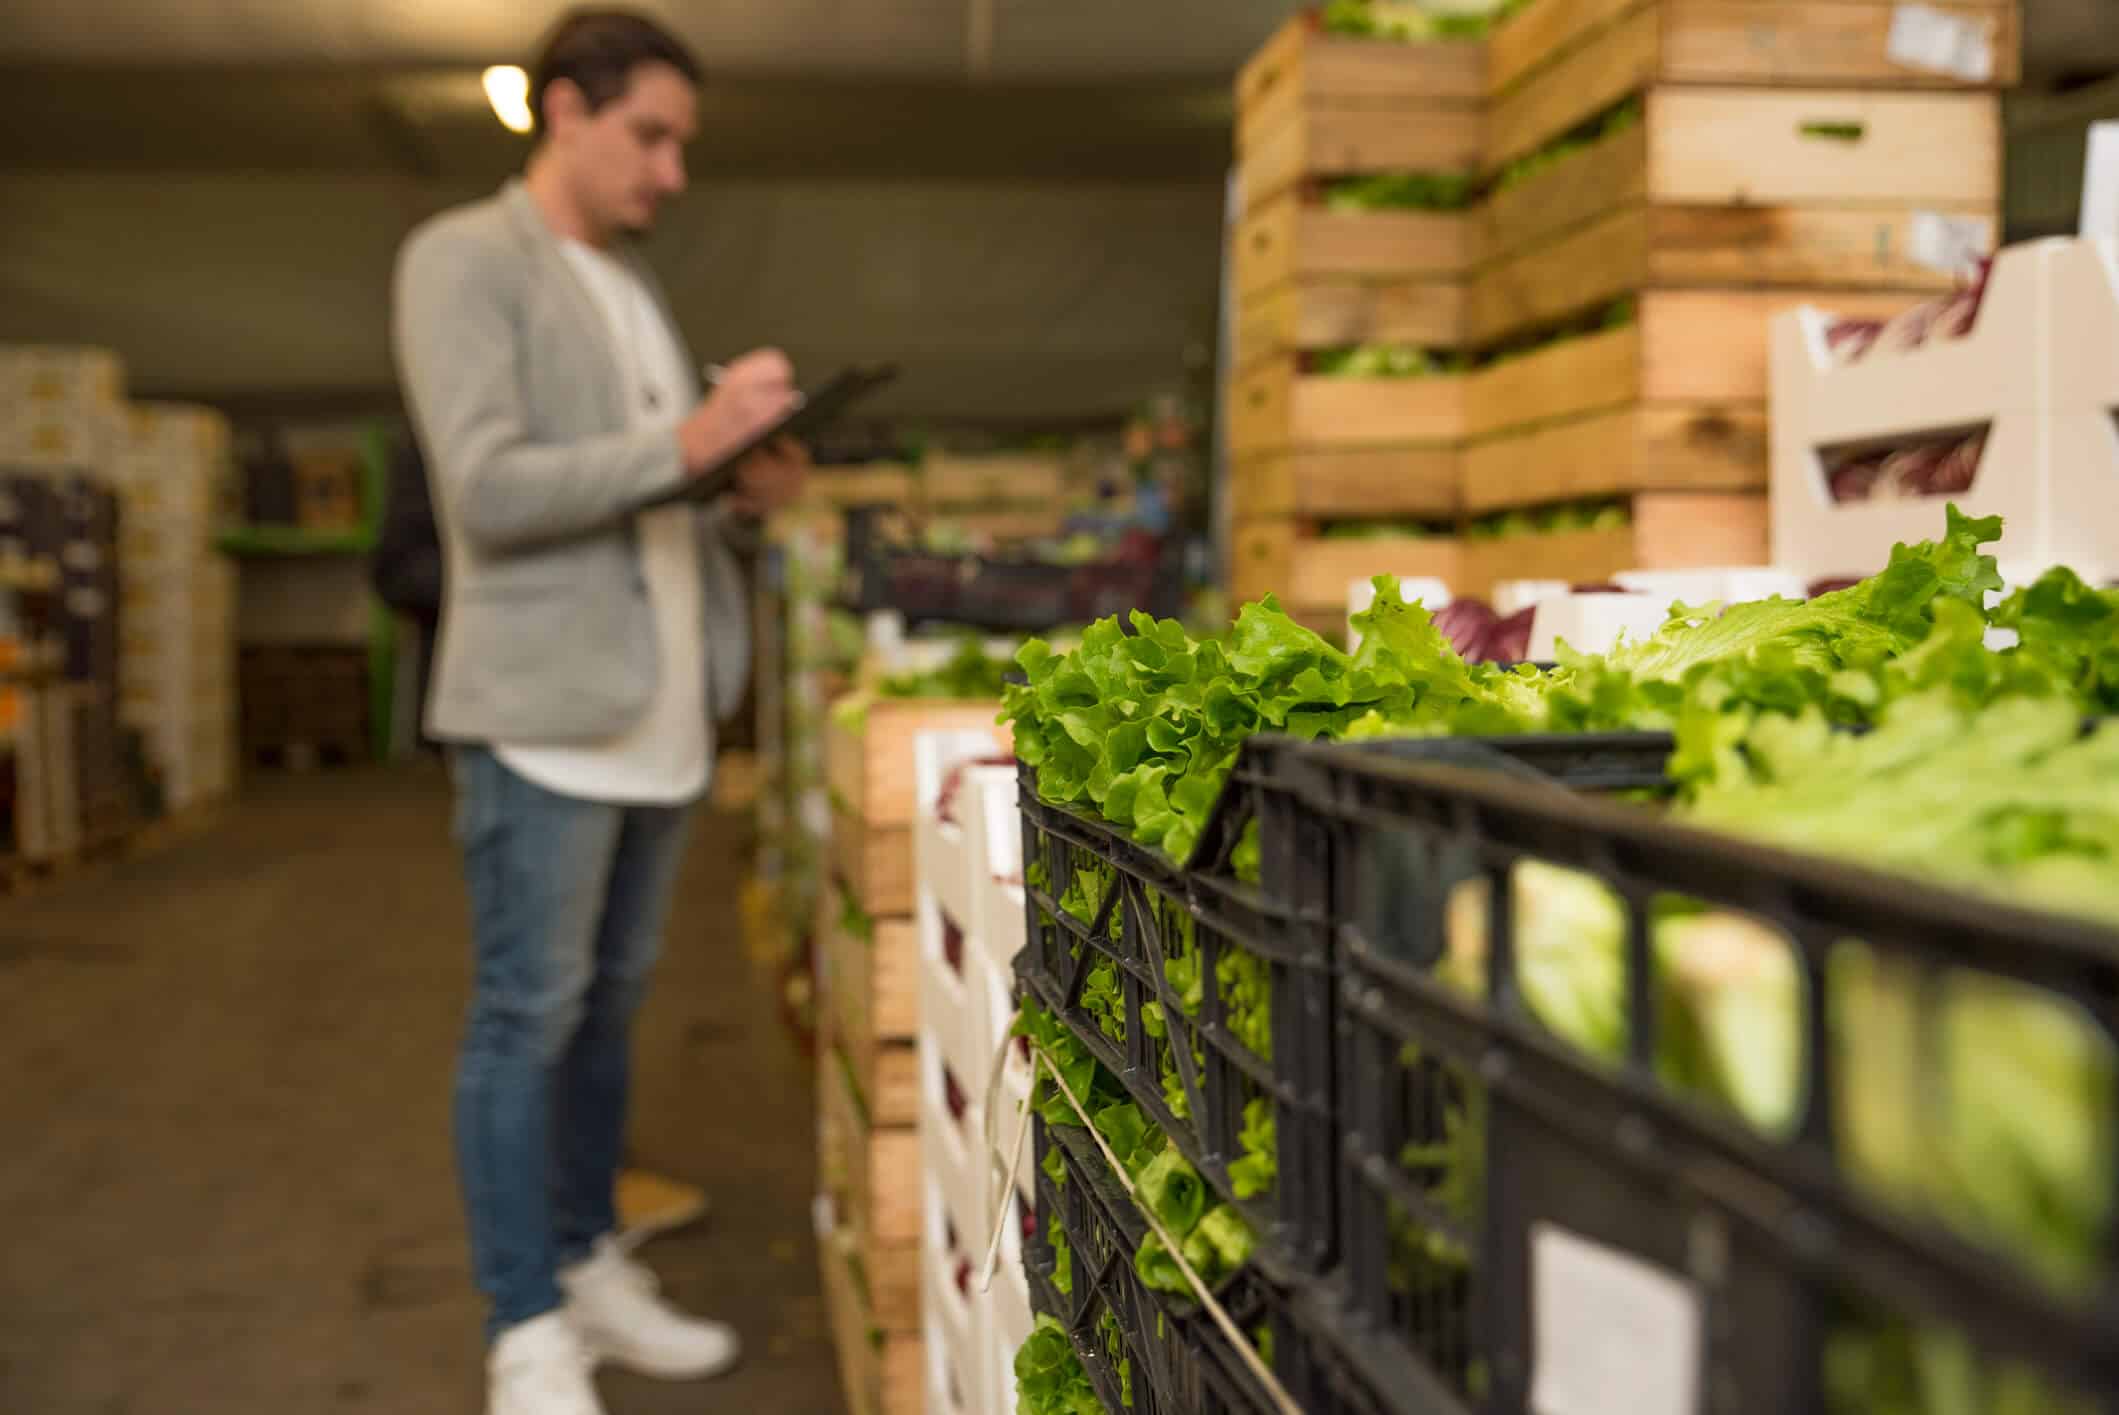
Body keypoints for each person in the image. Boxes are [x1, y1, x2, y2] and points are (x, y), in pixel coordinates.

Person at [388, 10, 809, 1414]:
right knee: (526, 1014)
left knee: (608, 1015)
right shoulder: (464, 260)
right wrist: (691, 436)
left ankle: (583, 1262)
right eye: (653, 135)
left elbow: (641, 498)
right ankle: (523, 1327)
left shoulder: (630, 287)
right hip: (546, 722)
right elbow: (493, 492)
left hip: (663, 717)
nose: (672, 171)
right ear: (564, 109)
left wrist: (737, 485)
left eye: (681, 142)